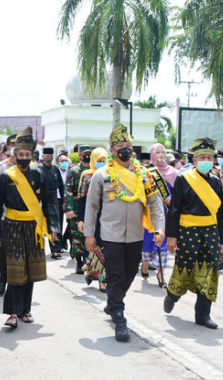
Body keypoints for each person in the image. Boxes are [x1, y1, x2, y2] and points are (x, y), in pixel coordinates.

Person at [84, 125, 165, 342]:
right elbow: (91, 207)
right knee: (116, 275)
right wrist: (89, 235)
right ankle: (120, 317)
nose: (125, 150)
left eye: (128, 146)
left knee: (130, 274)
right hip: (111, 234)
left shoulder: (144, 174)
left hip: (136, 235)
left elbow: (156, 203)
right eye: (121, 147)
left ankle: (112, 304)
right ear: (112, 150)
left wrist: (159, 227)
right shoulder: (101, 175)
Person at [0, 127, 60, 329]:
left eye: (27, 155)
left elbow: (49, 202)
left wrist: (54, 226)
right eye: (20, 154)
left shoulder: (40, 174)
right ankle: (12, 312)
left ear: (32, 156)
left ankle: (25, 309)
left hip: (33, 226)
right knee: (15, 267)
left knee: (30, 268)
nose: (23, 158)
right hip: (12, 226)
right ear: (14, 155)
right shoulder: (7, 176)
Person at [163, 137, 223, 329]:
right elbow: (175, 210)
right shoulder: (184, 178)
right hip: (188, 231)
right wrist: (171, 237)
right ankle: (173, 294)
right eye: (202, 157)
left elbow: (220, 213)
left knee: (208, 271)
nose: (206, 160)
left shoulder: (216, 181)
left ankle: (203, 315)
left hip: (210, 231)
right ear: (195, 160)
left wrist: (222, 239)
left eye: (209, 157)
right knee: (185, 269)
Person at [141, 143, 177, 288]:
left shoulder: (173, 172)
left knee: (163, 241)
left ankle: (161, 272)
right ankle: (145, 264)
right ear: (152, 154)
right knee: (149, 240)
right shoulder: (146, 171)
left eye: (163, 152)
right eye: (157, 152)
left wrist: (172, 198)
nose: (161, 155)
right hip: (150, 212)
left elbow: (179, 192)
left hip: (166, 212)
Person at [76, 147, 109, 292]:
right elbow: (82, 200)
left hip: (108, 217)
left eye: (104, 160)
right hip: (93, 217)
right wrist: (81, 220)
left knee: (106, 248)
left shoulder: (111, 174)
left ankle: (94, 271)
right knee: (96, 247)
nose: (102, 163)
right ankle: (102, 280)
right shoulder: (87, 176)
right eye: (99, 161)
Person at [0, 134, 18, 295]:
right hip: (4, 217)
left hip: (25, 219)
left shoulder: (33, 168)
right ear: (8, 147)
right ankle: (3, 277)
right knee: (3, 251)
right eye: (13, 144)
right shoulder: (1, 168)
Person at [65, 145, 92, 274]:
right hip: (76, 206)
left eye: (89, 154)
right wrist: (68, 209)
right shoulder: (74, 171)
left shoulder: (95, 170)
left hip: (91, 206)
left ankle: (87, 256)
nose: (87, 156)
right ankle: (79, 261)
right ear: (80, 156)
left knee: (89, 233)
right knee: (77, 235)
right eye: (85, 154)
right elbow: (68, 190)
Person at [40, 147, 64, 259]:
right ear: (42, 156)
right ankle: (39, 248)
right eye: (46, 155)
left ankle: (56, 249)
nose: (48, 157)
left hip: (54, 198)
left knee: (55, 222)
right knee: (41, 224)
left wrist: (64, 201)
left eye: (50, 155)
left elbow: (61, 187)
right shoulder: (38, 169)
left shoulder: (55, 169)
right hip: (40, 199)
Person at [56, 153, 70, 252]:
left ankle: (65, 237)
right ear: (58, 163)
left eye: (66, 160)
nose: (64, 163)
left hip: (69, 199)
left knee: (71, 222)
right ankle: (59, 243)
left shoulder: (71, 172)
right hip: (58, 199)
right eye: (62, 161)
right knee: (59, 222)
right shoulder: (55, 172)